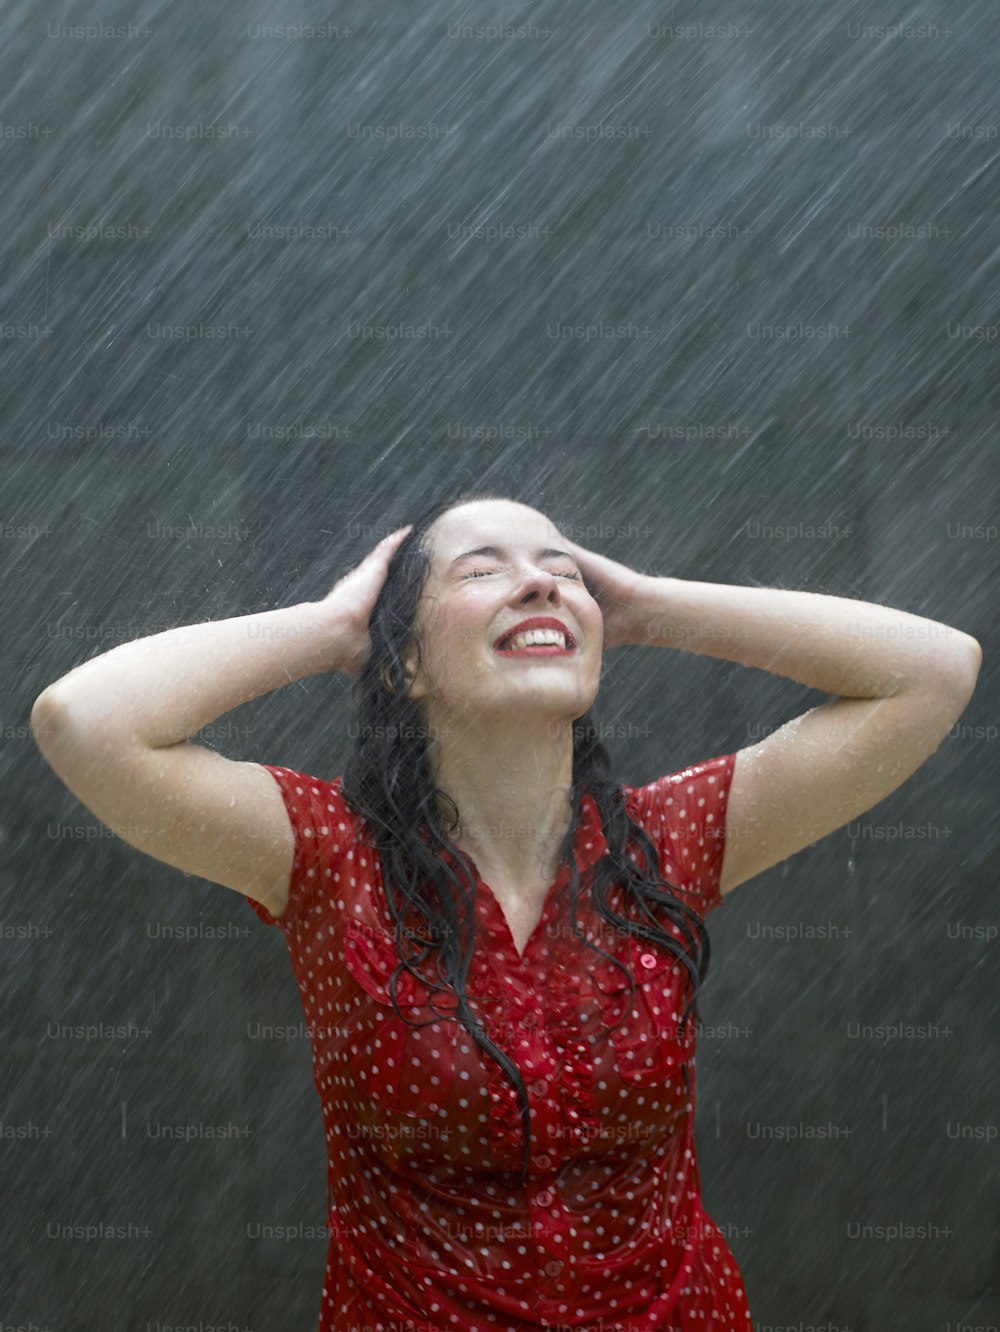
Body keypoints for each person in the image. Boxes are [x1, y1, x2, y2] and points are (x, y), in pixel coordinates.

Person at [31, 489, 982, 1331]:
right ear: (402, 659)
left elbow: (934, 671)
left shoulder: (667, 843)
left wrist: (650, 604)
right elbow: (85, 720)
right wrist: (330, 629)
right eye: (483, 571)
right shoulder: (326, 854)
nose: (541, 585)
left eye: (563, 570)